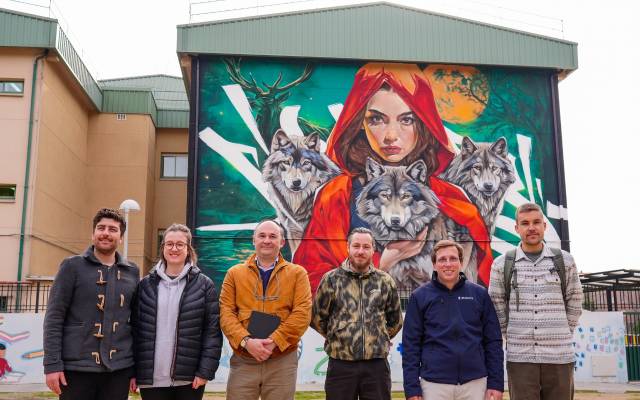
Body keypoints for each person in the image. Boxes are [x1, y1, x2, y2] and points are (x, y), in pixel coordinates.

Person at [293, 62, 493, 293]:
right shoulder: (335, 195)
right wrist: (383, 261)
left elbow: (478, 279)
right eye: (376, 119)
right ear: (359, 124)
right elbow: (310, 279)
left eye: (407, 120)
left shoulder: (451, 196)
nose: (390, 136)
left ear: (424, 124)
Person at [488, 203, 583, 400]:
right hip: (520, 358)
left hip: (559, 358)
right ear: (516, 228)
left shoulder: (564, 261)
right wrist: (513, 335)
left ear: (544, 225)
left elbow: (574, 301)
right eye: (525, 223)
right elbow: (497, 307)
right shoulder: (501, 265)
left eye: (536, 222)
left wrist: (561, 333)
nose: (531, 227)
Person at [43, 208, 139, 400]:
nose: (105, 233)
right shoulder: (71, 266)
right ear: (93, 233)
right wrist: (52, 365)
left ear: (120, 237)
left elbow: (136, 323)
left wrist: (136, 368)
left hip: (119, 369)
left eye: (113, 229)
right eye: (100, 228)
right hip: (76, 368)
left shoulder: (132, 272)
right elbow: (54, 318)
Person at [219, 220, 312, 400]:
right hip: (244, 358)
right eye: (262, 236)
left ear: (282, 242)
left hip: (282, 360)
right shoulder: (234, 274)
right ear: (253, 240)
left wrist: (274, 341)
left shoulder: (297, 273)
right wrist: (246, 342)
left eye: (273, 236)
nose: (267, 240)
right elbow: (226, 313)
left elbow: (302, 313)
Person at [130, 223, 222, 400]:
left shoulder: (204, 285)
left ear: (188, 249)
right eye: (169, 244)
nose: (174, 248)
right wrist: (133, 371)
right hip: (151, 380)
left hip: (188, 380)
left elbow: (212, 332)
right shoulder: (144, 286)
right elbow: (134, 331)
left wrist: (205, 371)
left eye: (180, 244)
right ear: (163, 247)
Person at [403, 240, 503, 400]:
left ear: (461, 262)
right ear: (434, 265)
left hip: (475, 384)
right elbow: (411, 347)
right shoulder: (419, 297)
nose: (448, 264)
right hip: (434, 385)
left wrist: (496, 383)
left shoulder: (479, 295)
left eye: (453, 258)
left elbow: (493, 342)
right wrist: (412, 388)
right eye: (442, 259)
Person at [311, 227, 402, 400]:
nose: (361, 251)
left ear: (373, 250)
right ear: (348, 247)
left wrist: (376, 337)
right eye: (356, 246)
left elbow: (395, 320)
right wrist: (337, 335)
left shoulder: (385, 281)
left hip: (376, 365)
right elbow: (317, 318)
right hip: (341, 364)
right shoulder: (331, 279)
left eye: (366, 247)